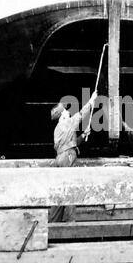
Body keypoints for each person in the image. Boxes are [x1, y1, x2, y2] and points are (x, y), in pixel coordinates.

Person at [49, 90, 98, 222]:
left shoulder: (61, 128)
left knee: (60, 190)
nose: (66, 111)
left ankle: (54, 221)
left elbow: (72, 143)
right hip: (67, 158)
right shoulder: (67, 123)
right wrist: (91, 100)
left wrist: (83, 135)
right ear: (61, 115)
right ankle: (71, 222)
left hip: (62, 157)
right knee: (70, 188)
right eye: (64, 110)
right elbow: (81, 114)